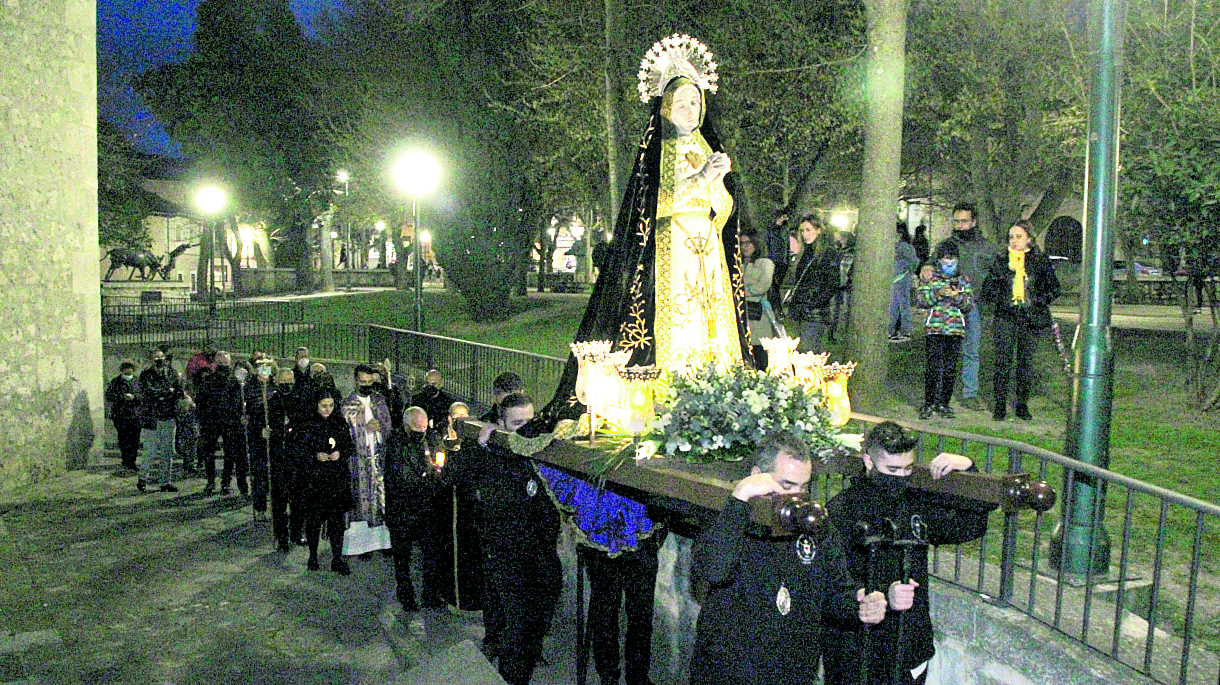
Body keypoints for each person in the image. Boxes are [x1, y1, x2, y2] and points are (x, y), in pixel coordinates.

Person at [533, 34, 753, 425]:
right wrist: (702, 179)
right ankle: (668, 392)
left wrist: (718, 183)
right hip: (671, 253)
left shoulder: (707, 147)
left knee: (713, 324)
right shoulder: (658, 151)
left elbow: (723, 213)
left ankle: (717, 390)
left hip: (709, 254)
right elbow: (654, 207)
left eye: (695, 102)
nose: (690, 110)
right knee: (678, 323)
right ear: (666, 107)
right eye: (682, 103)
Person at [691, 431, 887, 685]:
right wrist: (740, 498)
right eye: (786, 486)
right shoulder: (729, 520)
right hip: (730, 672)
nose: (797, 497)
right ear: (757, 477)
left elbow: (835, 593)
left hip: (793, 672)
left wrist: (859, 603)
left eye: (803, 487)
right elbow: (713, 571)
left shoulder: (816, 527)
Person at [823, 421, 990, 685]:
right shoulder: (842, 509)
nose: (900, 477)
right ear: (868, 461)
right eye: (892, 469)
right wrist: (881, 594)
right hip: (856, 649)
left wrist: (968, 468)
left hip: (908, 644)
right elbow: (831, 582)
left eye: (908, 469)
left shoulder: (915, 504)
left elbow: (969, 525)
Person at [444, 393, 560, 685]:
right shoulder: (490, 452)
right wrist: (479, 445)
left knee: (535, 619)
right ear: (501, 423)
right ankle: (511, 672)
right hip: (505, 553)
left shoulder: (539, 448)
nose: (526, 429)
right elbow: (451, 475)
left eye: (530, 421)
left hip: (540, 553)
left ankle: (525, 653)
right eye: (518, 423)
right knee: (516, 625)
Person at [980, 220, 1060, 421]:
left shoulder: (1039, 261)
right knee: (1003, 361)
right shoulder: (1001, 261)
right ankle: (1000, 404)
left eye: (1019, 237)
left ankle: (1022, 404)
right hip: (1006, 317)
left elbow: (1054, 288)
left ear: (1029, 239)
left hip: (1030, 318)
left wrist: (1037, 301)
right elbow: (988, 290)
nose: (1014, 241)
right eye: (1011, 237)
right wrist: (1003, 297)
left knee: (1025, 362)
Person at [932, 203, 1000, 411]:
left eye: (964, 221)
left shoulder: (987, 248)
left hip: (974, 305)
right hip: (947, 306)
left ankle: (970, 393)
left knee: (971, 350)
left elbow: (996, 275)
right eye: (957, 221)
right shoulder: (945, 246)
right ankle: (940, 393)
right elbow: (931, 265)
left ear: (974, 222)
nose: (960, 226)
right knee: (944, 351)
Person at [383, 406, 447, 611]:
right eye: (416, 428)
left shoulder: (432, 438)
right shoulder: (396, 444)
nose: (421, 432)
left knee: (431, 553)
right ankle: (405, 593)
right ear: (406, 426)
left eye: (424, 428)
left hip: (427, 509)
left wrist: (438, 470)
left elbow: (441, 459)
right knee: (402, 557)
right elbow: (402, 478)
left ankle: (430, 593)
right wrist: (429, 477)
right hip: (403, 510)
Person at [297, 388, 356, 575]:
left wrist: (340, 453)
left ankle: (337, 557)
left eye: (330, 405)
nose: (327, 409)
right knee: (314, 520)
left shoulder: (339, 422)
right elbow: (299, 449)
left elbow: (348, 445)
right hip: (315, 480)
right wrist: (315, 456)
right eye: (323, 406)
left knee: (336, 522)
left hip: (336, 479)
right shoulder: (308, 424)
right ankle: (313, 555)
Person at [340, 364, 393, 556]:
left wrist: (381, 427)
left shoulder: (379, 401)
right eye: (363, 382)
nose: (367, 385)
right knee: (361, 503)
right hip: (359, 462)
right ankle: (362, 546)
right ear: (355, 381)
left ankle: (384, 543)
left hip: (378, 458)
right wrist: (364, 427)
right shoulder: (348, 405)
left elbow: (388, 425)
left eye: (370, 382)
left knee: (382, 501)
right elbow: (345, 432)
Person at [916, 241, 973, 419]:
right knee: (933, 367)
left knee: (950, 368)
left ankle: (944, 403)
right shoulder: (931, 278)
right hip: (934, 328)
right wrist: (938, 294)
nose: (949, 263)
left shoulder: (963, 280)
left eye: (952, 260)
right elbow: (921, 300)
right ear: (939, 260)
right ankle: (928, 403)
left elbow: (968, 305)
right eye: (946, 260)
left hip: (955, 330)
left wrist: (957, 297)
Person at [786, 214, 841, 353]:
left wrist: (813, 302)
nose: (805, 234)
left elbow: (832, 284)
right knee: (799, 352)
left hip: (814, 314)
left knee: (808, 352)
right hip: (801, 311)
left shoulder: (827, 253)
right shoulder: (806, 253)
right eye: (802, 231)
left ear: (818, 230)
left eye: (808, 230)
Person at [196, 351, 248, 496]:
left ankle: (225, 482)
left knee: (230, 454)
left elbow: (240, 401)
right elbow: (201, 401)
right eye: (220, 362)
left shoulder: (235, 381)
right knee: (209, 453)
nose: (223, 365)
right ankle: (210, 481)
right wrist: (203, 420)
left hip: (230, 421)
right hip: (211, 421)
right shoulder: (208, 380)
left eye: (225, 362)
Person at [267, 367, 308, 551]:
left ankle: (297, 532)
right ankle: (281, 536)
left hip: (296, 457)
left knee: (298, 499)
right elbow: (259, 424)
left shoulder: (299, 400)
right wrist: (264, 432)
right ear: (277, 382)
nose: (287, 385)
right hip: (278, 457)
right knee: (279, 500)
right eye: (284, 382)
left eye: (290, 382)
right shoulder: (270, 402)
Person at [137, 347, 185, 493]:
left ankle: (165, 481)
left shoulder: (171, 373)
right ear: (151, 360)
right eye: (156, 358)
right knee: (150, 451)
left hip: (168, 416)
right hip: (152, 418)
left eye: (161, 358)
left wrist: (169, 393)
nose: (159, 361)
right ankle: (143, 478)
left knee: (167, 451)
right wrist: (166, 392)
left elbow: (178, 391)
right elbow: (148, 392)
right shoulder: (146, 374)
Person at [245, 357, 277, 521]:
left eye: (267, 368)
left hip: (273, 437)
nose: (264, 372)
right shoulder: (250, 387)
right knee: (259, 473)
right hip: (257, 437)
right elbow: (251, 409)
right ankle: (260, 507)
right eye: (261, 368)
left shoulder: (275, 387)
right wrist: (259, 429)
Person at [740, 232, 775, 368]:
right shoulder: (740, 265)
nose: (744, 246)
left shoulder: (765, 263)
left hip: (759, 314)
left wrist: (744, 290)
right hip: (743, 312)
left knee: (760, 351)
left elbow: (762, 286)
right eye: (742, 243)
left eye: (747, 243)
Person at [105, 361, 142, 471]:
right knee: (123, 439)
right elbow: (109, 395)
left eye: (130, 368)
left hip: (135, 415)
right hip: (121, 415)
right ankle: (125, 461)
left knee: (134, 440)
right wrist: (122, 397)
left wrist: (134, 397)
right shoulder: (116, 382)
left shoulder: (138, 381)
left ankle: (132, 461)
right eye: (125, 368)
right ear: (122, 370)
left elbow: (143, 396)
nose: (128, 370)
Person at [889, 223, 920, 343]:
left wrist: (906, 272)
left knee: (901, 304)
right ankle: (894, 330)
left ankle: (904, 330)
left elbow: (914, 261)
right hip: (897, 278)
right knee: (895, 305)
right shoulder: (897, 246)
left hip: (901, 278)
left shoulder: (904, 247)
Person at [766, 210, 792, 316]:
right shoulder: (771, 230)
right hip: (773, 261)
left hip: (782, 262)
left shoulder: (784, 230)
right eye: (783, 216)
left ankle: (776, 308)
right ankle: (776, 309)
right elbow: (768, 245)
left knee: (777, 286)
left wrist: (787, 260)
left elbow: (787, 246)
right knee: (774, 285)